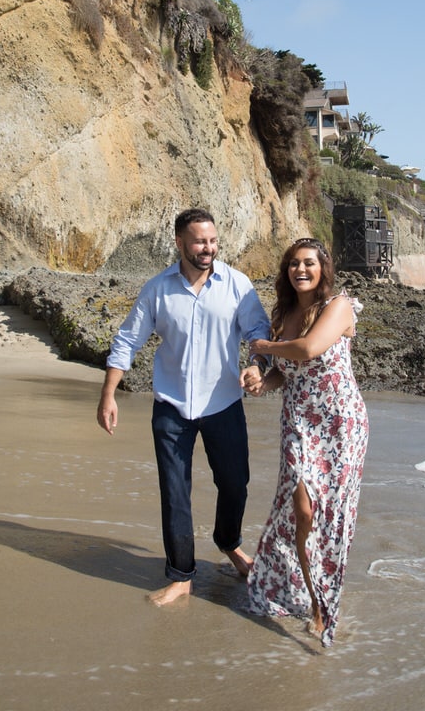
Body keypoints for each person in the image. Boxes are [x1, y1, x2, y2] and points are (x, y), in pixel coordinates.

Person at [97, 207, 270, 606]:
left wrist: (257, 364)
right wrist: (108, 394)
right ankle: (181, 574)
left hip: (223, 403)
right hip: (172, 406)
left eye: (212, 241)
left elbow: (259, 331)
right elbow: (127, 341)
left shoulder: (237, 285)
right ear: (179, 242)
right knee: (175, 491)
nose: (208, 248)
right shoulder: (157, 290)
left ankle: (229, 542)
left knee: (235, 483)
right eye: (199, 241)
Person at [240, 238, 369, 647]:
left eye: (309, 263)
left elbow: (310, 348)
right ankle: (308, 591)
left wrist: (263, 348)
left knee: (329, 517)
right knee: (302, 511)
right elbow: (286, 370)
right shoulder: (284, 314)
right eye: (294, 264)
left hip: (340, 424)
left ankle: (321, 603)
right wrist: (262, 378)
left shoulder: (340, 306)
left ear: (323, 268)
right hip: (298, 422)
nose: (301, 270)